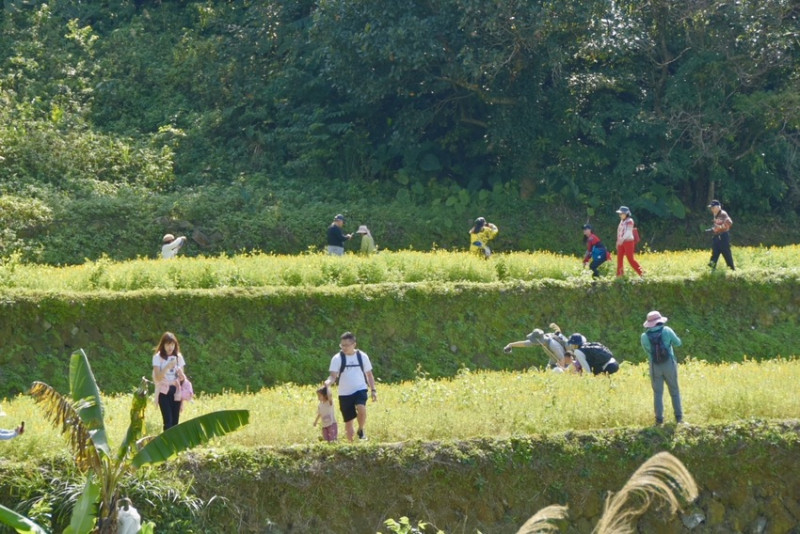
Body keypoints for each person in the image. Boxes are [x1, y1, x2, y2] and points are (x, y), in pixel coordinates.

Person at [324, 332, 377, 441]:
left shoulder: (362, 356)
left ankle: (361, 429)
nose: (344, 348)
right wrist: (328, 383)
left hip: (360, 389)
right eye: (342, 345)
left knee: (361, 408)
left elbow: (369, 374)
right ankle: (350, 445)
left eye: (346, 345)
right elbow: (333, 376)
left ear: (354, 344)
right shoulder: (337, 358)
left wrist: (373, 390)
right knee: (349, 422)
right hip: (344, 393)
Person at [640, 310, 684, 426]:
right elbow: (678, 343)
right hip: (669, 363)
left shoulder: (644, 336)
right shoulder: (667, 330)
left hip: (654, 366)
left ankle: (659, 420)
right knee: (674, 390)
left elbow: (647, 351)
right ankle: (679, 418)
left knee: (658, 393)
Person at [152, 331, 187, 431]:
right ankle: (166, 445)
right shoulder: (157, 357)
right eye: (167, 344)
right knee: (168, 422)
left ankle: (174, 445)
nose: (170, 347)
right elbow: (158, 377)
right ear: (163, 345)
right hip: (163, 391)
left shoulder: (178, 357)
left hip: (176, 391)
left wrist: (181, 375)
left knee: (175, 422)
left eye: (172, 344)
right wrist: (168, 366)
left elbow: (182, 379)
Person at [503, 323, 570, 370]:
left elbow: (563, 358)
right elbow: (525, 343)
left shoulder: (553, 345)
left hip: (566, 363)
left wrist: (562, 371)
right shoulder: (542, 341)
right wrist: (511, 345)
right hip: (554, 360)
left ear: (538, 340)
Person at [706, 200, 735, 271]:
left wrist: (721, 227)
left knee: (726, 253)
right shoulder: (716, 215)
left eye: (713, 207)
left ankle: (732, 270)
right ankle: (711, 269)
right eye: (711, 208)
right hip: (717, 237)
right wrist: (712, 230)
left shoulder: (723, 214)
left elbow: (729, 222)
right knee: (715, 253)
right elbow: (717, 226)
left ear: (718, 207)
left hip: (723, 237)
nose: (712, 209)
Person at [615, 206, 643, 277]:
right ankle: (619, 275)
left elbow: (628, 232)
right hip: (621, 242)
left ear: (626, 214)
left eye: (621, 214)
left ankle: (642, 273)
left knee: (630, 259)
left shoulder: (630, 221)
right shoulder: (622, 221)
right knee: (619, 259)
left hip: (628, 242)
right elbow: (619, 230)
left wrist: (622, 239)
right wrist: (618, 240)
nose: (620, 215)